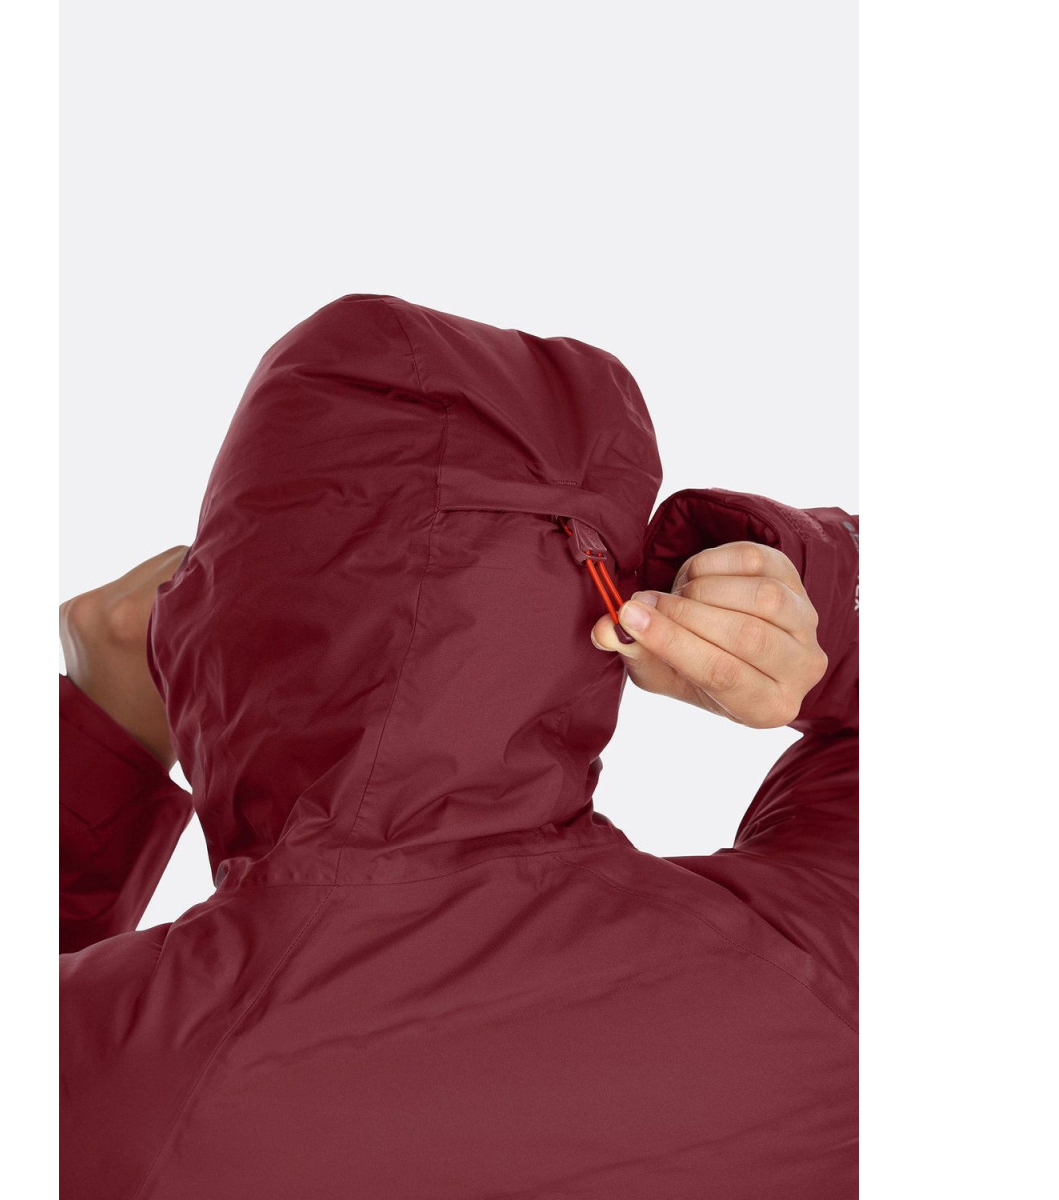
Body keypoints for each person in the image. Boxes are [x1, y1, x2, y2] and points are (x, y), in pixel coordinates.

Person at [60, 295, 858, 1199]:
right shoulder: (815, 971)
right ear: (608, 589)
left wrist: (99, 734)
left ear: (209, 624)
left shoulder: (110, 1066)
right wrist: (795, 597)